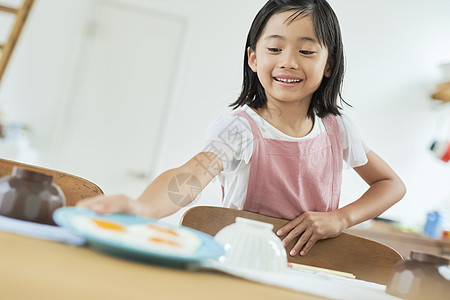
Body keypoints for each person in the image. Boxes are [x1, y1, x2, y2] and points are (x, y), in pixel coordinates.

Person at [77, 0, 406, 256]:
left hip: (314, 271)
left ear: (329, 64)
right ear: (252, 58)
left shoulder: (338, 129)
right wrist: (141, 208)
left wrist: (341, 218)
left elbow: (390, 184)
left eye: (306, 51)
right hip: (240, 262)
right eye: (274, 49)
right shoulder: (239, 130)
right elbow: (191, 177)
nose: (288, 61)